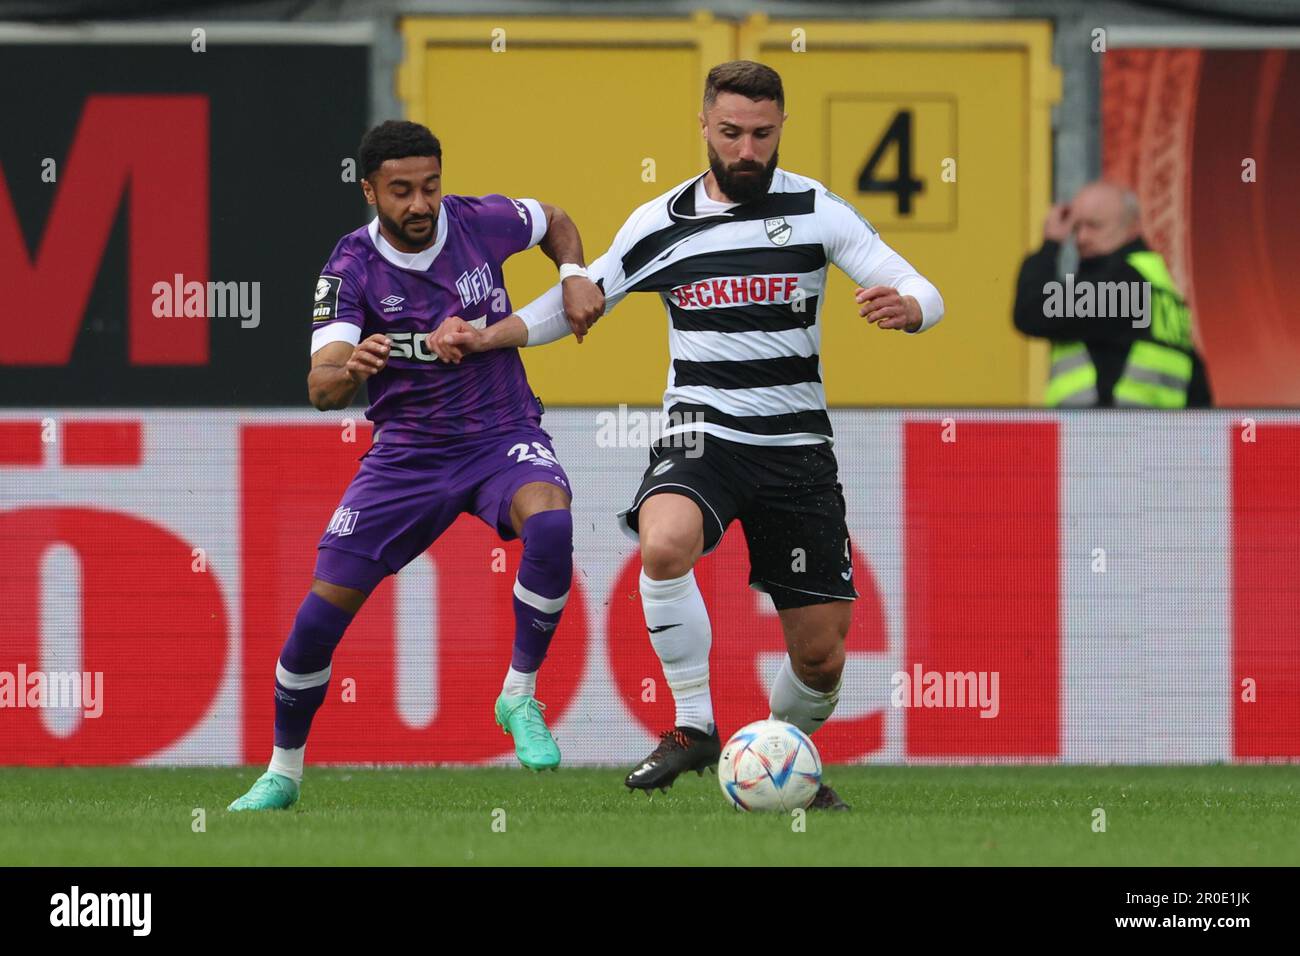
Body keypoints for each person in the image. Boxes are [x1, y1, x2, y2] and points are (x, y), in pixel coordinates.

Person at [429, 62, 944, 810]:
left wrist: (912, 308)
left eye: (761, 135)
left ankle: (773, 762)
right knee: (665, 542)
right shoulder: (660, 222)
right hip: (703, 434)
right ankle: (695, 725)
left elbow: (924, 287)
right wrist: (485, 336)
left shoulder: (815, 209)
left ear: (780, 129)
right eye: (731, 132)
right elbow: (581, 299)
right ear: (703, 125)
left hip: (796, 448)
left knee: (822, 655)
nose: (746, 150)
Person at [228, 120, 604, 812]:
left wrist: (574, 274)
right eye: (400, 191)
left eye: (429, 186)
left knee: (550, 523)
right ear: (370, 191)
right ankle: (282, 773)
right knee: (318, 619)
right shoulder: (349, 270)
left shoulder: (479, 222)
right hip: (408, 456)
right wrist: (352, 368)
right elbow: (321, 388)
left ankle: (518, 695)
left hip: (501, 432)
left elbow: (554, 219)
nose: (419, 204)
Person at [1013, 180, 1211, 407]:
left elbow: (1031, 310)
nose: (1081, 238)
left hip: (1107, 436)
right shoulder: (1161, 291)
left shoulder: (1123, 289)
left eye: (1094, 226)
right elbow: (1198, 391)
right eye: (1076, 228)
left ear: (1133, 225)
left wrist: (1051, 243)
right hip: (1159, 438)